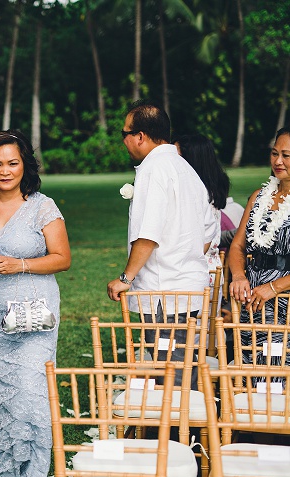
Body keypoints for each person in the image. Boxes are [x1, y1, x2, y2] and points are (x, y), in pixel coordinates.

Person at [0, 130, 70, 477]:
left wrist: (20, 264)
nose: (5, 171)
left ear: (25, 164)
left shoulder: (42, 206)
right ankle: (5, 475)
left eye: (12, 162)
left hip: (34, 313)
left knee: (32, 392)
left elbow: (62, 257)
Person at [107, 101, 216, 389]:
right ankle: (183, 430)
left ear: (140, 136)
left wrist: (124, 278)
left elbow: (148, 234)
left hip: (165, 292)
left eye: (125, 133)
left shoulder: (153, 169)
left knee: (170, 375)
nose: (124, 140)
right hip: (190, 287)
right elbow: (207, 232)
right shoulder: (185, 169)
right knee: (183, 369)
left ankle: (176, 433)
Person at [229, 127, 290, 366]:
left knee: (279, 368)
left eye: (286, 155)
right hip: (252, 298)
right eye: (274, 153)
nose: (277, 161)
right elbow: (237, 247)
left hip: (285, 299)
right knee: (250, 364)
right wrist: (238, 275)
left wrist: (273, 288)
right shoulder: (258, 197)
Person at [174, 133, 229, 280]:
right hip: (212, 269)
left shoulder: (196, 193)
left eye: (176, 156)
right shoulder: (213, 187)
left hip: (195, 271)